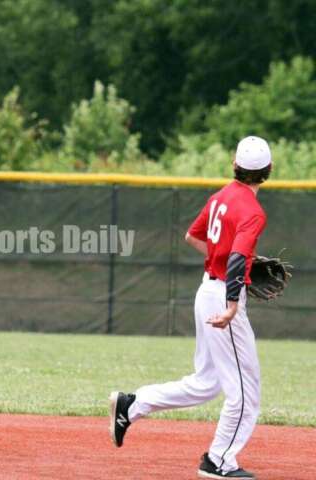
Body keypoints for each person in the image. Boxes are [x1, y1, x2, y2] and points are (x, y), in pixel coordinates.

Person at [109, 136, 273, 480]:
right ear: (268, 172)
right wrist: (231, 303)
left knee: (207, 382)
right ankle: (219, 461)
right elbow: (238, 257)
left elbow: (192, 237)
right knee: (245, 392)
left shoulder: (220, 197)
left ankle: (132, 404)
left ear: (234, 164)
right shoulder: (254, 212)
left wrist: (227, 265)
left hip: (206, 290)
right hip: (223, 299)